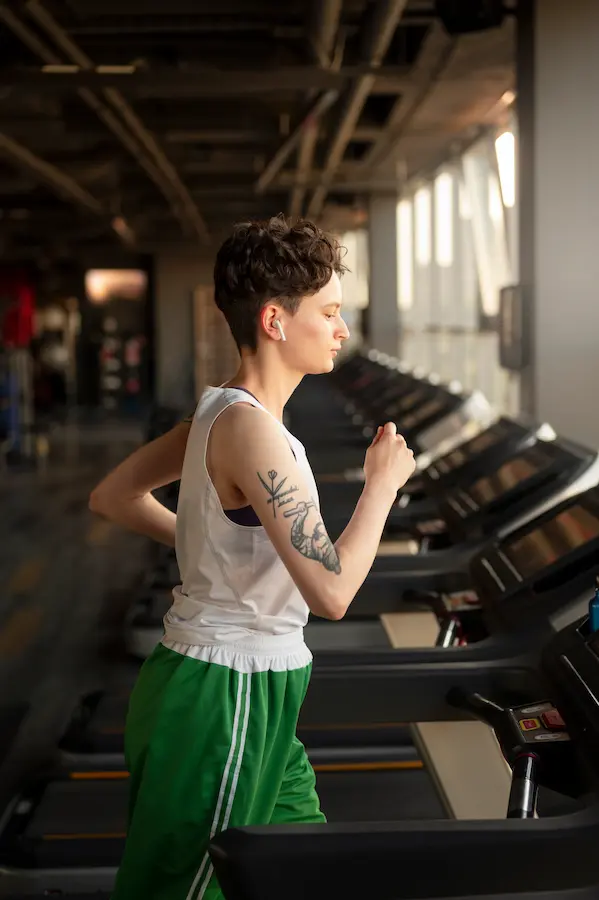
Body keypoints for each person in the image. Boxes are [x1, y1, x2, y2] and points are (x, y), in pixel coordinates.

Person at [90, 216, 415, 900]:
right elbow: (331, 594)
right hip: (223, 695)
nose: (340, 330)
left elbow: (114, 497)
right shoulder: (254, 433)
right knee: (184, 889)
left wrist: (207, 549)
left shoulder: (216, 412)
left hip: (248, 683)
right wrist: (380, 486)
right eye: (328, 312)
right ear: (274, 320)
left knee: (300, 867)